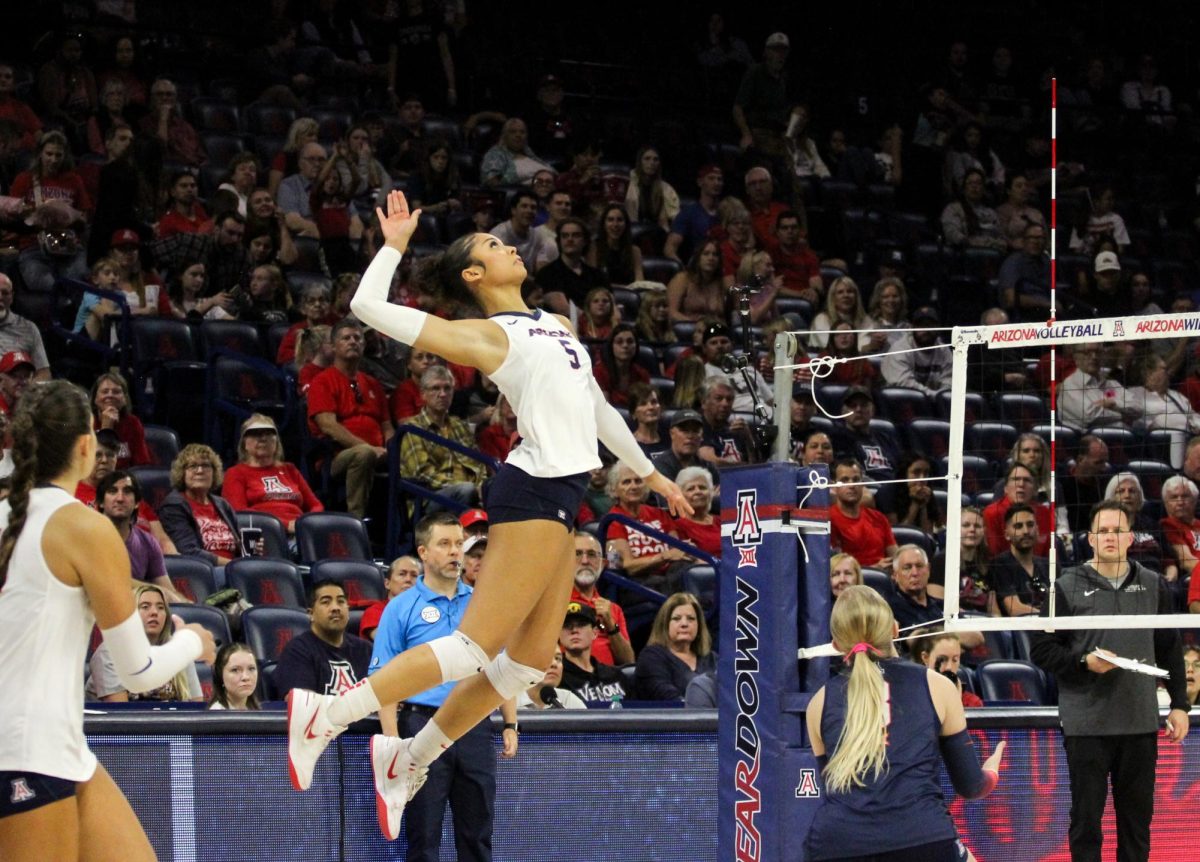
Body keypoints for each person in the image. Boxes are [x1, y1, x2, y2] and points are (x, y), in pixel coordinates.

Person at [287, 192, 688, 838]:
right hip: (530, 491)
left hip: (566, 497)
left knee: (526, 664)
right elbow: (365, 308)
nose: (507, 246)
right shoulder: (486, 335)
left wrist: (650, 474)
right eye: (492, 246)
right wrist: (393, 244)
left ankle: (407, 761)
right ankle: (325, 715)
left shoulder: (556, 327)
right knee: (472, 648)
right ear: (474, 276)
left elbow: (599, 411)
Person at [0, 381, 213, 859]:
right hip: (25, 747)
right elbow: (136, 670)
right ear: (84, 445)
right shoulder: (85, 527)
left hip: (57, 744)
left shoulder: (14, 517)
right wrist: (193, 643)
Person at [1030, 500, 1189, 862]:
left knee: (1136, 824)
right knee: (1086, 822)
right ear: (1090, 539)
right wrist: (1084, 662)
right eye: (1104, 531)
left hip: (1138, 722)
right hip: (1087, 725)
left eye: (1118, 530)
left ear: (1131, 537)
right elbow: (1040, 649)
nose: (1111, 537)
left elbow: (1169, 648)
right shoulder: (1066, 586)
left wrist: (1180, 704)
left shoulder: (1152, 585)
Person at [804, 586, 1004, 861]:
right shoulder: (938, 686)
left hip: (837, 844)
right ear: (895, 630)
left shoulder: (818, 703)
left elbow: (833, 789)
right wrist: (991, 773)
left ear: (837, 645)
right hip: (921, 837)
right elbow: (971, 786)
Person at [370, 511, 518, 862]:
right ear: (423, 552)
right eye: (445, 544)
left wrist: (510, 722)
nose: (455, 552)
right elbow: (383, 682)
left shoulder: (483, 602)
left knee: (478, 832)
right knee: (424, 834)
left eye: (459, 544)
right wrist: (393, 743)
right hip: (422, 725)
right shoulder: (400, 608)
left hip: (475, 725)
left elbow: (501, 666)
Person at [306, 318, 394, 518]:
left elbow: (387, 425)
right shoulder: (323, 381)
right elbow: (328, 426)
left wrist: (391, 447)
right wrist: (369, 448)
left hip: (380, 453)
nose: (353, 341)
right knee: (363, 453)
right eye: (346, 338)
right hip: (338, 456)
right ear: (334, 347)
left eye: (357, 338)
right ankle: (356, 521)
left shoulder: (373, 383)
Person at [221, 413, 323, 536]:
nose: (263, 438)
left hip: (300, 531)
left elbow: (316, 505)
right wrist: (283, 525)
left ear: (276, 442)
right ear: (244, 444)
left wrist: (305, 524)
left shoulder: (289, 469)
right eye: (255, 434)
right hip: (264, 534)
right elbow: (238, 512)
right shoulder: (235, 473)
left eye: (269, 433)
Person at [398, 365, 485, 510]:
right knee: (466, 490)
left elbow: (479, 463)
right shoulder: (412, 429)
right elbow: (423, 474)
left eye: (447, 388)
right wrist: (468, 487)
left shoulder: (459, 425)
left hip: (470, 490)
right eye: (435, 388)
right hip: (430, 497)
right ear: (423, 394)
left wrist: (482, 487)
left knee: (499, 486)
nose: (442, 394)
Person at [274, 579, 373, 697]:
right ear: (311, 614)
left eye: (341, 601)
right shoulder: (297, 650)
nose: (335, 608)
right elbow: (301, 705)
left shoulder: (365, 649)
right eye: (326, 602)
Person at [94, 470, 181, 603]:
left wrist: (187, 604)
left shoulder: (148, 542)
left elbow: (168, 590)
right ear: (100, 502)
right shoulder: (86, 538)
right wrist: (157, 591)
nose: (120, 498)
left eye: (127, 492)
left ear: (137, 503)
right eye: (112, 491)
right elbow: (109, 582)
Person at [158, 444, 247, 565]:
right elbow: (188, 552)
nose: (200, 471)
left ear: (214, 472)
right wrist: (234, 565)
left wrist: (249, 548)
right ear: (182, 473)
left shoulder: (222, 504)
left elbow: (239, 547)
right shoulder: (173, 506)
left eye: (205, 465)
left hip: (233, 569)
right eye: (193, 466)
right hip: (203, 573)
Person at [635, 592, 716, 701]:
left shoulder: (712, 658)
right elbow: (667, 697)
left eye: (691, 619)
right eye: (676, 619)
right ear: (664, 624)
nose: (684, 624)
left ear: (699, 625)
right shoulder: (651, 658)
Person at [568, 531, 632, 666]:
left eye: (591, 554)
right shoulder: (555, 604)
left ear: (602, 565)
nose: (585, 561)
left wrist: (610, 625)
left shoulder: (613, 609)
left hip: (608, 683)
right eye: (577, 554)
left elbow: (628, 662)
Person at [829, 458, 899, 571]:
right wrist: (875, 569)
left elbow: (896, 557)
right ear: (833, 486)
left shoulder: (879, 518)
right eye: (844, 480)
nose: (851, 485)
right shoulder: (829, 520)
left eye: (856, 479)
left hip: (885, 581)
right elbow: (836, 568)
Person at [558, 601, 629, 704]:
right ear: (558, 635)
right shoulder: (557, 678)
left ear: (595, 632)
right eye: (567, 625)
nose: (574, 630)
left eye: (581, 625)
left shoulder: (615, 676)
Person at [929, 507, 997, 615]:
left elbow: (993, 609)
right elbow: (936, 604)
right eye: (966, 525)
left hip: (984, 623)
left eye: (977, 526)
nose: (972, 530)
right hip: (955, 624)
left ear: (983, 531)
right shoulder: (941, 561)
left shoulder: (987, 564)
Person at [990, 504, 1051, 616]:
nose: (1026, 531)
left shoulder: (1050, 565)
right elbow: (1014, 609)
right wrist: (1049, 615)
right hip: (1021, 630)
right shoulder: (999, 565)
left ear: (1037, 530)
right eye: (1018, 526)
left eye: (1030, 525)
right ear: (1007, 534)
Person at [909, 627, 984, 708]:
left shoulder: (971, 703)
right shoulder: (910, 698)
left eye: (955, 660)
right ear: (925, 658)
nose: (949, 667)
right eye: (942, 659)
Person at [359, 556, 421, 641]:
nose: (408, 579)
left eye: (414, 575)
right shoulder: (374, 612)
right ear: (387, 583)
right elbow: (387, 642)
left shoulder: (426, 610)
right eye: (402, 574)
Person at [672, 466, 721, 558]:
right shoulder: (677, 527)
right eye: (691, 489)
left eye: (702, 487)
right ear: (680, 495)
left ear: (711, 493)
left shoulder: (723, 521)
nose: (698, 491)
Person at [517, 646, 586, 710]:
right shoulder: (510, 703)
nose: (554, 664)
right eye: (545, 657)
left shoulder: (568, 700)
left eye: (558, 658)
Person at [208, 642, 260, 710]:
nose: (246, 677)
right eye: (235, 670)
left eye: (251, 668)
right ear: (220, 675)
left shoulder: (255, 710)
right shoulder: (217, 713)